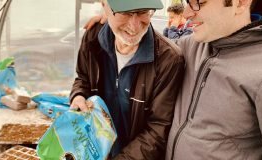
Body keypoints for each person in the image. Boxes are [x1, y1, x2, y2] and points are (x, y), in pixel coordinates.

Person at [84, 0, 262, 159]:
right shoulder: (190, 45)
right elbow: (152, 45)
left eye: (200, 2)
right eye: (188, 2)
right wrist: (114, 16)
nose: (188, 13)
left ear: (241, 2)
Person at [69, 0, 184, 159]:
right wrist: (78, 95)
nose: (134, 25)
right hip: (94, 150)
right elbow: (83, 78)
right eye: (126, 13)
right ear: (104, 6)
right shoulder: (93, 37)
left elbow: (157, 129)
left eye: (143, 11)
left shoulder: (168, 59)